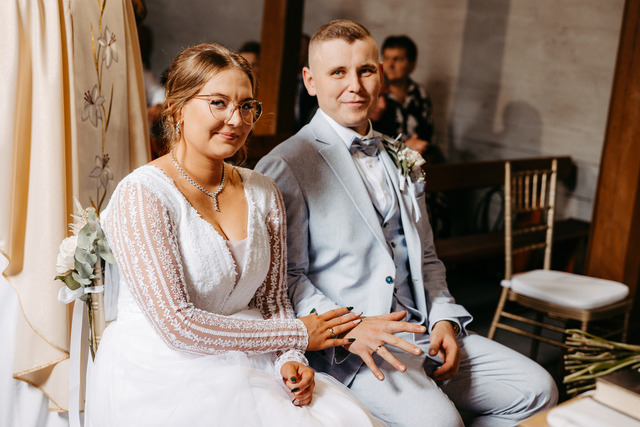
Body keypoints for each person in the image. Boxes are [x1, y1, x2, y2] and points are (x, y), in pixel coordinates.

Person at [255, 20, 558, 426]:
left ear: (380, 74)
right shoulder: (286, 164)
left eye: (365, 70)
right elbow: (284, 279)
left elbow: (426, 254)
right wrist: (352, 328)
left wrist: (444, 317)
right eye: (338, 72)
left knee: (539, 391)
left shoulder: (398, 155)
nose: (355, 86)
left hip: (424, 329)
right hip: (358, 347)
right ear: (310, 81)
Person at [85, 42, 384, 427]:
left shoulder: (263, 191)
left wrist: (289, 359)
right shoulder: (142, 195)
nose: (236, 119)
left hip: (253, 357)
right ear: (177, 109)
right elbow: (178, 326)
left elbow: (273, 299)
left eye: (246, 106)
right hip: (163, 368)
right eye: (219, 103)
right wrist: (296, 335)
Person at [372, 35, 445, 166]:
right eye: (386, 58)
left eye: (397, 59)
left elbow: (428, 134)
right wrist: (404, 147)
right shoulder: (376, 92)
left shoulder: (420, 92)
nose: (390, 65)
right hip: (383, 162)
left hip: (418, 159)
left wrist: (418, 147)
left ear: (412, 65)